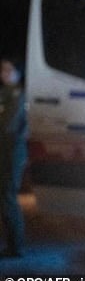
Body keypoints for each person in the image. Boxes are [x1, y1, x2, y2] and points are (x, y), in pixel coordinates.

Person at [0, 55, 28, 258]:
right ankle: (11, 244)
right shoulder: (5, 94)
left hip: (12, 153)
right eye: (3, 70)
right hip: (5, 151)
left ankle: (16, 246)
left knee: (8, 197)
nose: (5, 74)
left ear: (18, 73)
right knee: (5, 197)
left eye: (9, 70)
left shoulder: (17, 95)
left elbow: (7, 125)